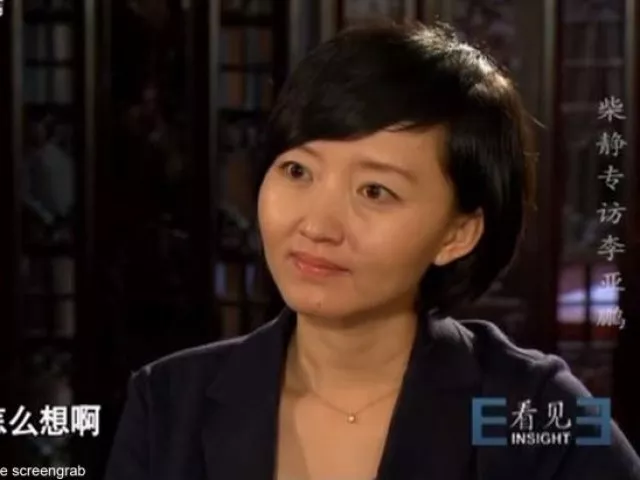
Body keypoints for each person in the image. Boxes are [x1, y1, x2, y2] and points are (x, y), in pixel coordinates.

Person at [104, 22, 640, 480]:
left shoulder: (541, 413)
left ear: (458, 233)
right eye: (297, 171)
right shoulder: (168, 404)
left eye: (375, 191)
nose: (317, 226)